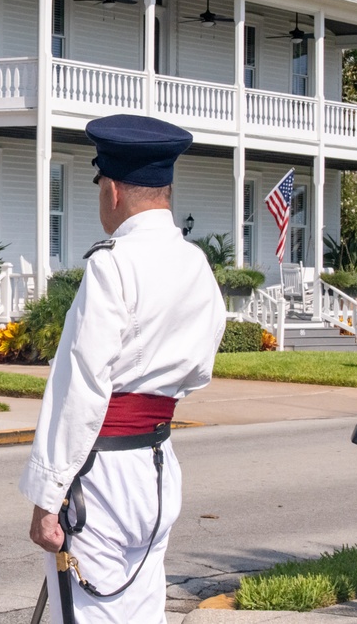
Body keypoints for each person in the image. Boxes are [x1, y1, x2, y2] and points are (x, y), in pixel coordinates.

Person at [20, 114, 226, 623]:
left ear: (112, 190)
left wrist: (48, 496)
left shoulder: (112, 262)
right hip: (156, 463)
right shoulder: (195, 262)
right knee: (140, 613)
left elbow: (82, 385)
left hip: (102, 473)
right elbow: (200, 369)